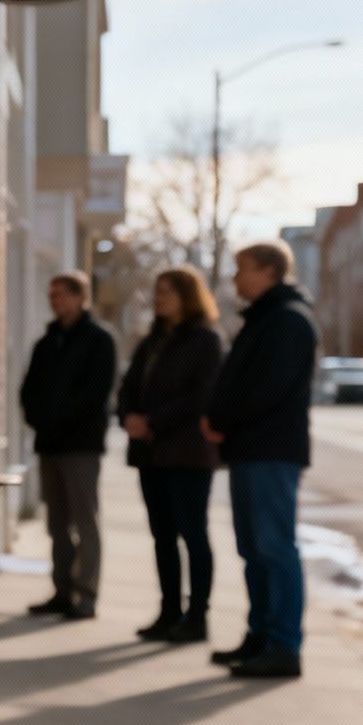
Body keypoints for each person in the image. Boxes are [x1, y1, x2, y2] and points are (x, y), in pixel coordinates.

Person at [204, 241, 317, 679]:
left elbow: (266, 389)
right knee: (254, 549)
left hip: (271, 451)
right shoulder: (264, 319)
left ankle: (284, 645)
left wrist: (221, 420)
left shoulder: (287, 321)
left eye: (242, 270)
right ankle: (261, 635)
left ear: (270, 271)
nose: (235, 279)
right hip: (252, 449)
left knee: (274, 547)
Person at [116, 266, 223, 644]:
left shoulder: (205, 341)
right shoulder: (153, 341)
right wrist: (128, 417)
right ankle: (169, 611)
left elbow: (200, 397)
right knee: (162, 535)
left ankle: (197, 617)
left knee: (192, 534)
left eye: (167, 292)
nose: (158, 298)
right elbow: (128, 386)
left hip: (188, 453)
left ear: (187, 296)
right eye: (157, 291)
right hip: (151, 454)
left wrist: (153, 422)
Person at [20, 271, 117, 620]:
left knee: (84, 520)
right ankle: (62, 590)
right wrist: (39, 419)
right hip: (50, 444)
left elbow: (96, 394)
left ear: (80, 297)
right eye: (52, 295)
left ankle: (86, 593)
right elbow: (29, 389)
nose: (54, 301)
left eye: (61, 295)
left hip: (81, 446)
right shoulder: (47, 342)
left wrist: (59, 418)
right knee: (56, 524)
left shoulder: (98, 340)